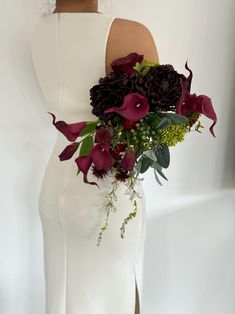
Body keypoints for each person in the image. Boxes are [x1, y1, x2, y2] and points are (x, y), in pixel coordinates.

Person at [30, 1, 159, 313]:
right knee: (116, 299)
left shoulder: (39, 30)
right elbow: (154, 126)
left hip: (56, 181)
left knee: (64, 300)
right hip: (105, 192)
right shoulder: (129, 33)